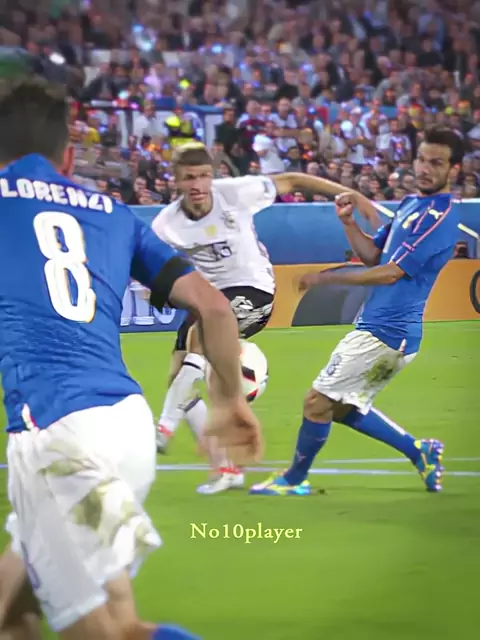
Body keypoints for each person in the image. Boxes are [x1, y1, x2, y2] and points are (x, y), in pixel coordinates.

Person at [0, 47, 262, 640]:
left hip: (57, 438)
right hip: (127, 428)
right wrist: (228, 401)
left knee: (113, 629)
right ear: (69, 156)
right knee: (12, 610)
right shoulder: (114, 213)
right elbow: (214, 306)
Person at [250, 124, 464, 496]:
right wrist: (349, 224)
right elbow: (373, 256)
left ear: (454, 170)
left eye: (436, 163)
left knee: (317, 402)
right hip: (380, 329)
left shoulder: (441, 218)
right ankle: (419, 450)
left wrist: (329, 280)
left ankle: (294, 480)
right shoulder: (411, 205)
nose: (425, 168)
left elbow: (391, 273)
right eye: (421, 159)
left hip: (388, 332)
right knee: (340, 406)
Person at [151, 142, 376, 495]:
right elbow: (158, 269)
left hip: (254, 291)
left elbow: (293, 179)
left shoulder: (236, 193)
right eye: (189, 178)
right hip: (210, 299)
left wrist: (351, 194)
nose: (197, 185)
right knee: (178, 375)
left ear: (213, 176)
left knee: (202, 332)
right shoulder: (166, 225)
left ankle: (164, 426)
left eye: (204, 176)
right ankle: (226, 468)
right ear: (176, 181)